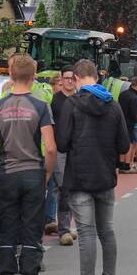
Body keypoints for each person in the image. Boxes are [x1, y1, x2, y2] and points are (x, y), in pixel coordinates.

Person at [54, 59, 130, 275]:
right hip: (106, 178)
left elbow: (62, 143)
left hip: (79, 178)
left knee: (86, 234)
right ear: (96, 77)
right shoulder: (113, 105)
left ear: (75, 78)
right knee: (106, 231)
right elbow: (123, 146)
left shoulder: (72, 105)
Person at [0, 54, 57, 275]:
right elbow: (50, 148)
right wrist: (46, 175)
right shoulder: (40, 107)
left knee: (6, 235)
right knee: (31, 235)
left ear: (11, 75)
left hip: (7, 175)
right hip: (33, 174)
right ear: (34, 74)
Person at [51, 67, 78, 245]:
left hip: (75, 150)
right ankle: (64, 230)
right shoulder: (56, 101)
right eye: (66, 78)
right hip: (60, 151)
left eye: (71, 79)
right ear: (61, 80)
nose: (69, 81)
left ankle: (64, 224)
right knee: (63, 188)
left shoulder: (78, 100)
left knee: (68, 189)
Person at [118, 79, 137, 174]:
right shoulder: (134, 97)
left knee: (121, 142)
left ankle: (121, 164)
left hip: (121, 121)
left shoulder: (123, 94)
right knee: (129, 144)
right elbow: (133, 113)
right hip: (129, 123)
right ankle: (127, 166)